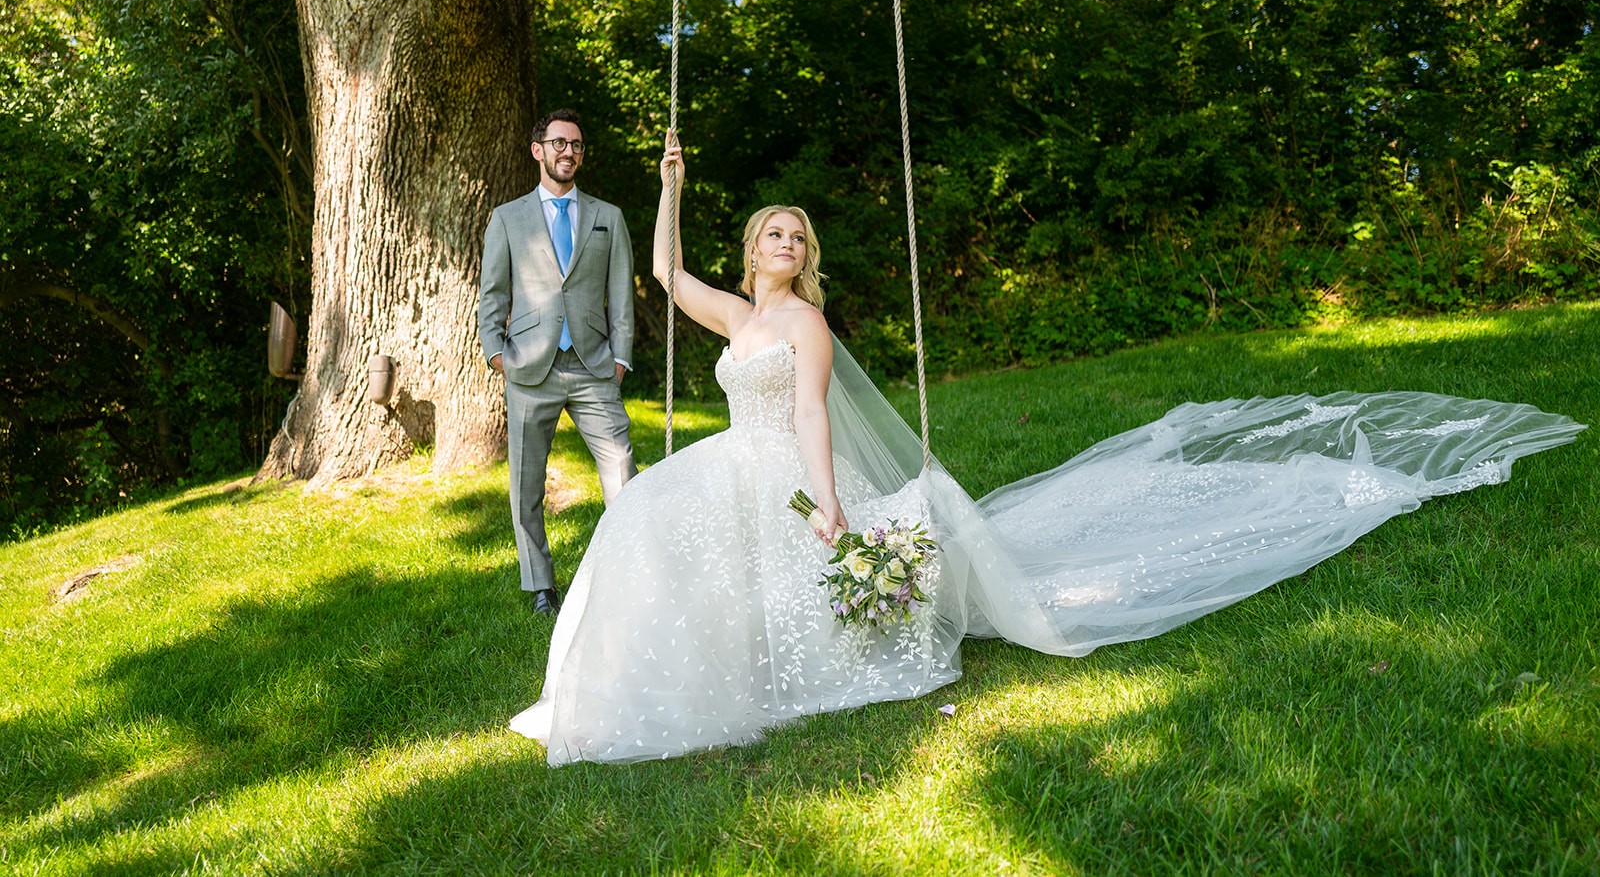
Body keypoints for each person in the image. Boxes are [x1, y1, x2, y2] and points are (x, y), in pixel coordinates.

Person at [509, 138, 1584, 765]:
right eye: (771, 236)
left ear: (807, 258)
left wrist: (829, 504)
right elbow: (659, 273)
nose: (783, 248)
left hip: (785, 472)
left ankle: (799, 656)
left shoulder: (803, 329)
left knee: (773, 558)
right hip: (728, 460)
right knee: (646, 519)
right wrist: (670, 185)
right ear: (751, 253)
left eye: (797, 237)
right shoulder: (737, 316)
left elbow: (811, 421)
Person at [478, 108, 637, 616]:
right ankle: (541, 584)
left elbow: (621, 293)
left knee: (622, 472)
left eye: (577, 145)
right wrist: (497, 354)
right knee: (527, 485)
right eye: (559, 143)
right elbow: (492, 294)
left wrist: (621, 359)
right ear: (538, 150)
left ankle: (627, 569)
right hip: (529, 369)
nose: (569, 151)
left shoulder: (607, 217)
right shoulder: (508, 217)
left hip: (593, 367)